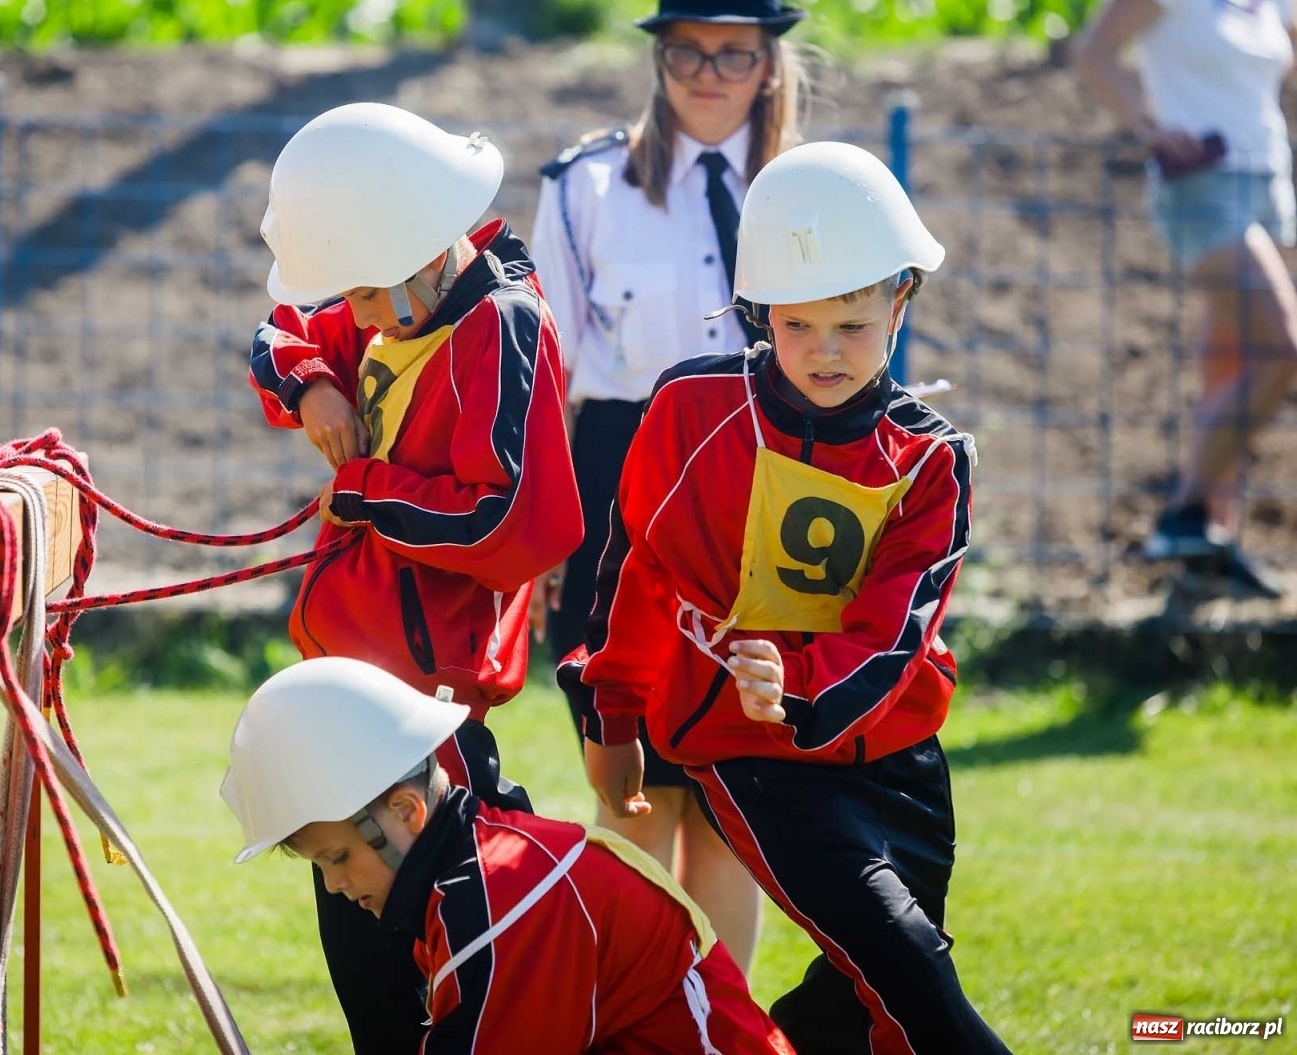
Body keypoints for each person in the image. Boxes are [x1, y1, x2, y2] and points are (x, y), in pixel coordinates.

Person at [560, 141, 1013, 1054]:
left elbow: (896, 632)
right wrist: (613, 717)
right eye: (797, 326)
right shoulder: (690, 408)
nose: (824, 352)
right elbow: (632, 571)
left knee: (859, 993)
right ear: (761, 313)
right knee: (915, 979)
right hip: (747, 752)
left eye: (851, 324)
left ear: (901, 299)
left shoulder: (933, 460)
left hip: (898, 756)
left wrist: (800, 684)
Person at [247, 102, 583, 1051]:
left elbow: (509, 518)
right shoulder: (381, 302)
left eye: (369, 293)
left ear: (430, 245)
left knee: (442, 956)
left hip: (428, 702)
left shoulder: (502, 327)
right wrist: (315, 382)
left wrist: (362, 493)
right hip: (355, 684)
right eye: (351, 300)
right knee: (360, 951)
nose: (363, 317)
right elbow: (278, 335)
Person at [527, 0, 808, 967]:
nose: (706, 74)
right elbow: (543, 379)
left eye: (732, 54)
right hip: (616, 491)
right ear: (658, 57)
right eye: (685, 50)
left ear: (769, 63)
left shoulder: (811, 189)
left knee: (732, 806)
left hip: (763, 487)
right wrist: (540, 543)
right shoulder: (585, 186)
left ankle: (715, 1027)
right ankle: (630, 1020)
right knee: (631, 787)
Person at [220, 657, 797, 1055]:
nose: (336, 885)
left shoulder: (497, 906)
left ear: (406, 811)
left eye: (338, 856)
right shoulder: (466, 871)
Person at [1073, 0, 1297, 598]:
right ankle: (1184, 513)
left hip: (1268, 182)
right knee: (1281, 348)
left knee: (1234, 366)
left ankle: (1207, 544)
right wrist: (1149, 127)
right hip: (1201, 179)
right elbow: (1096, 54)